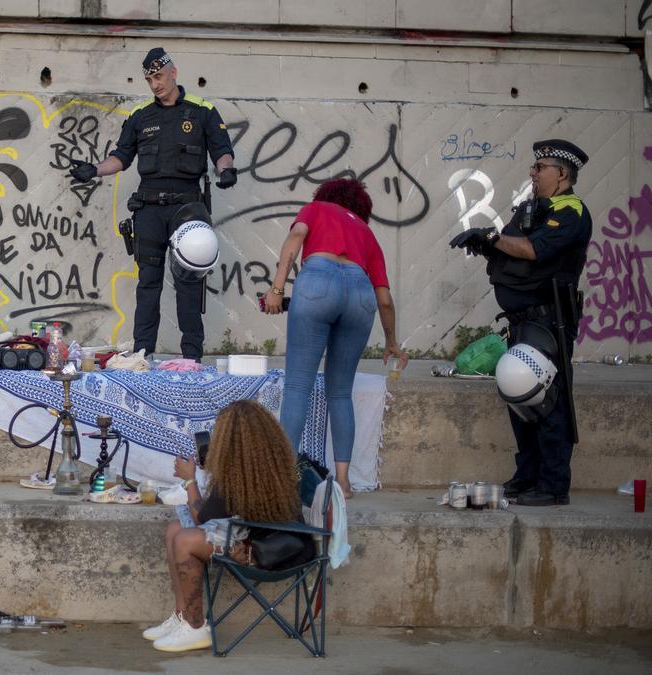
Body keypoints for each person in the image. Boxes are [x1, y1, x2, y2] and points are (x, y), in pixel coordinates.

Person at [67, 47, 236, 361]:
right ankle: (142, 355)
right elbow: (121, 158)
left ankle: (191, 357)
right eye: (149, 79)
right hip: (149, 209)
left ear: (174, 72)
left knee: (188, 283)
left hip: (187, 208)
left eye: (158, 76)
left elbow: (222, 151)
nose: (155, 84)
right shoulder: (140, 115)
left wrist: (226, 171)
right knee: (148, 284)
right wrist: (94, 170)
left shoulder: (202, 111)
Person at [449, 140, 592, 506]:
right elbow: (510, 250)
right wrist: (485, 243)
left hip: (550, 321)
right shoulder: (530, 208)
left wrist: (496, 237)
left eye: (540, 167)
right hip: (522, 322)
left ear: (562, 174)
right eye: (533, 166)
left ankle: (553, 485)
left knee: (549, 403)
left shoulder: (570, 211)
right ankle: (527, 476)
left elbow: (532, 249)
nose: (533, 172)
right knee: (521, 401)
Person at [264, 178, 407, 496]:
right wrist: (391, 341)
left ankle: (286, 479)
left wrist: (277, 289)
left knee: (298, 386)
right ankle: (343, 481)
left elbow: (294, 239)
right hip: (361, 294)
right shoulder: (367, 235)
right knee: (340, 393)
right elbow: (384, 299)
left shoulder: (315, 209)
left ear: (326, 196)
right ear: (361, 207)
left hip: (318, 280)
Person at [143, 400, 314, 653]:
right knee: (174, 529)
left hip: (266, 552)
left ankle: (195, 626)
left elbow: (202, 516)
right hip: (272, 541)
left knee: (184, 540)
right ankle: (182, 616)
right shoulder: (266, 466)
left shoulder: (241, 477)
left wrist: (190, 479)